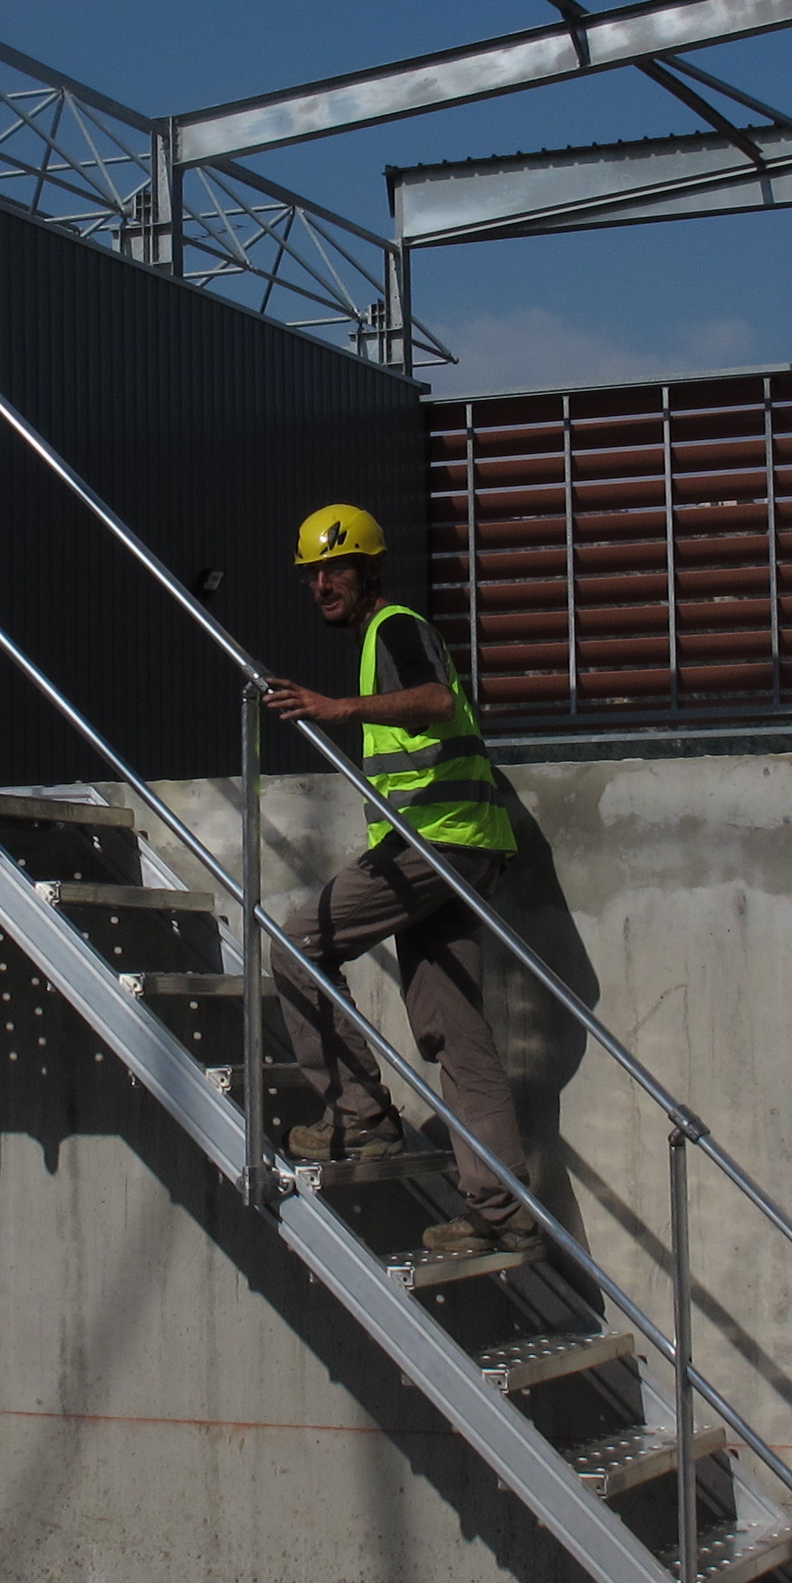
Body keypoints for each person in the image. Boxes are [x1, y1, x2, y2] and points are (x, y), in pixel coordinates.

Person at [261, 503, 539, 1266]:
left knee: (295, 941)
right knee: (458, 1032)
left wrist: (336, 707)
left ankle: (360, 1119)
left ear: (370, 571)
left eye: (336, 570)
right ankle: (502, 1212)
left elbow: (437, 700)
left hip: (437, 844)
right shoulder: (379, 636)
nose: (322, 585)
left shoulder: (394, 627)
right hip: (459, 850)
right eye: (312, 574)